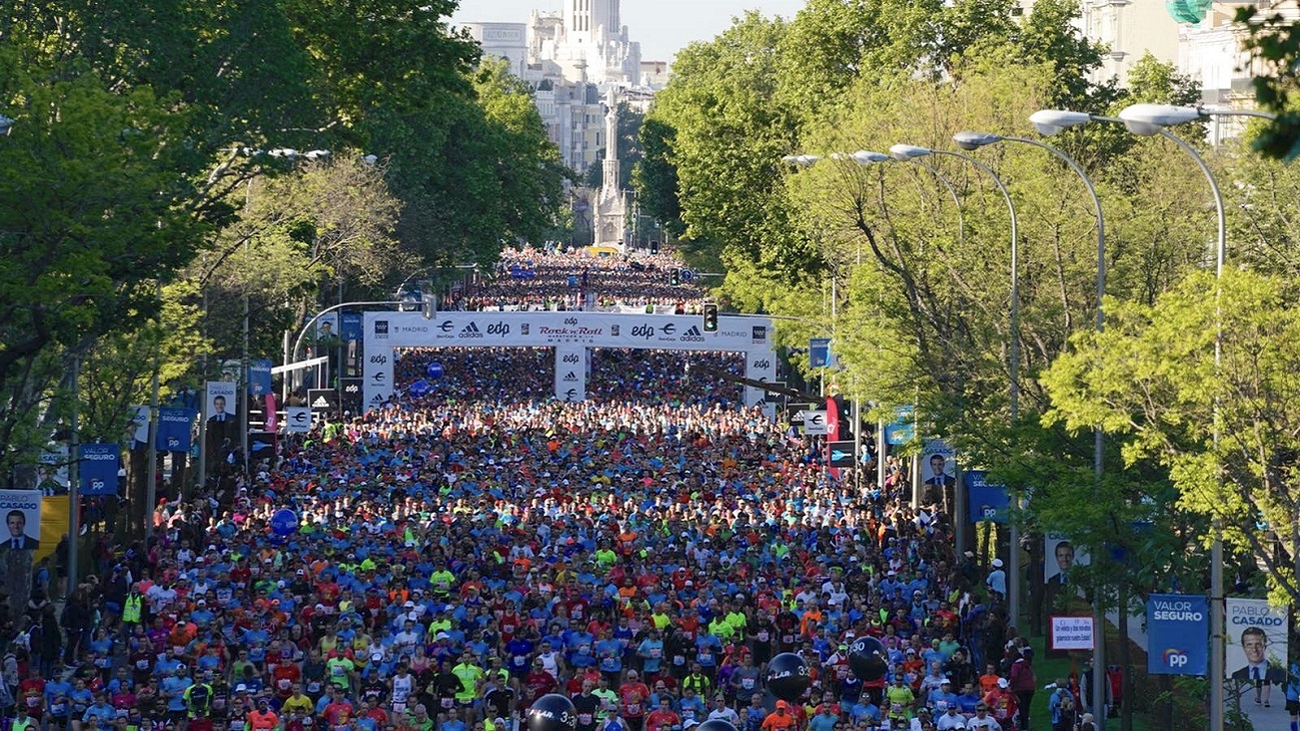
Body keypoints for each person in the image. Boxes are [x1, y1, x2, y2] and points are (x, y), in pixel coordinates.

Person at [1230, 626, 1284, 705]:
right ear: (1243, 647)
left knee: (1262, 681)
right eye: (1249, 645)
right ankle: (1265, 700)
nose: (1254, 649)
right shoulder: (1237, 674)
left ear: (1265, 646)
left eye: (1258, 644)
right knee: (1265, 681)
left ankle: (1260, 698)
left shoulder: (1278, 671)